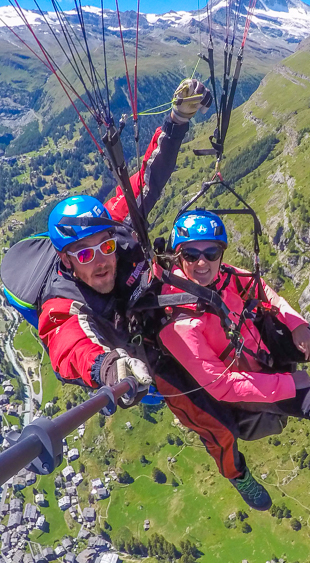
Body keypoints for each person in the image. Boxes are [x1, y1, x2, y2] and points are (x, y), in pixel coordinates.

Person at [156, 209, 310, 516]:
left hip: (263, 347)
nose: (201, 262)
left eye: (210, 252)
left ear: (221, 254)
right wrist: (289, 382)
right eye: (191, 253)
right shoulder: (180, 321)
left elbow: (262, 290)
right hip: (248, 386)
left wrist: (296, 324)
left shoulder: (225, 277)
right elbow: (221, 386)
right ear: (178, 255)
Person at [4, 79, 211, 399]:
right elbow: (66, 343)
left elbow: (149, 180)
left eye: (106, 246)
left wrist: (177, 122)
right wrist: (108, 366)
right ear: (66, 261)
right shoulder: (62, 299)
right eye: (85, 255)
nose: (100, 259)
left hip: (145, 311)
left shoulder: (114, 225)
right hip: (128, 349)